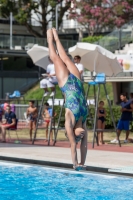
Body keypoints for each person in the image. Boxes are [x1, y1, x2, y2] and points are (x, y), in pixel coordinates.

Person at [47, 28, 88, 170]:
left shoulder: (69, 120)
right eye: (81, 136)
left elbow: (73, 146)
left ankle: (49, 39)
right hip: (77, 80)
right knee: (65, 58)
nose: (82, 135)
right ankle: (57, 37)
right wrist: (83, 163)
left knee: (56, 58)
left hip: (65, 82)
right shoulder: (83, 120)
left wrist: (75, 164)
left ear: (73, 135)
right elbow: (85, 145)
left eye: (79, 136)